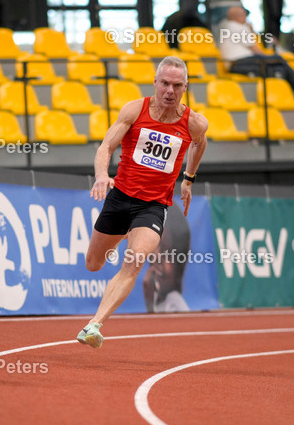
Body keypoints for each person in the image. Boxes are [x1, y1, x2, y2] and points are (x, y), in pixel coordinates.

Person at [76, 56, 208, 348]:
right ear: (155, 82)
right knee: (93, 264)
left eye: (176, 85)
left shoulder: (194, 123)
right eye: (164, 83)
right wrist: (101, 175)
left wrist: (188, 179)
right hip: (120, 197)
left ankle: (94, 325)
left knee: (133, 262)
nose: (169, 91)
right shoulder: (135, 110)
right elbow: (106, 146)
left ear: (185, 87)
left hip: (154, 206)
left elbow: (200, 144)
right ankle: (123, 231)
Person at [216, 5, 294, 97]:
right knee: (278, 59)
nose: (246, 18)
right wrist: (269, 57)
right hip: (242, 62)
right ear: (237, 17)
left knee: (279, 69)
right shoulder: (238, 27)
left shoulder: (225, 26)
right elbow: (256, 50)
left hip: (237, 64)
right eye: (244, 15)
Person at [142, 203, 191, 313]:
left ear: (180, 267)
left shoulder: (174, 303)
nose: (156, 256)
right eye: (154, 246)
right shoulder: (160, 301)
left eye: (167, 253)